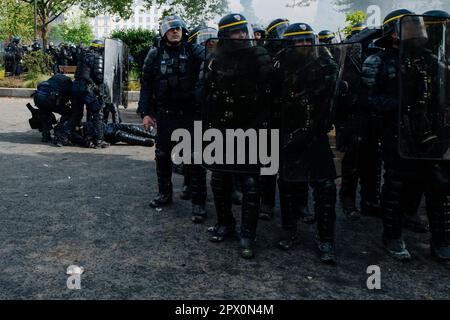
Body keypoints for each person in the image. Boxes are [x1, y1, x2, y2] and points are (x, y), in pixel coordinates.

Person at [362, 9, 450, 269]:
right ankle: (392, 237)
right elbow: (367, 101)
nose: (416, 33)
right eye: (410, 28)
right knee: (396, 185)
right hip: (397, 132)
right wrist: (399, 104)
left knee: (438, 186)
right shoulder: (378, 61)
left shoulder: (433, 60)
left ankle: (441, 241)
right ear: (394, 33)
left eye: (417, 27)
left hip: (431, 135)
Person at [276, 23, 340, 264]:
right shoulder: (280, 64)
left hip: (316, 135)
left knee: (325, 188)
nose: (303, 44)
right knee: (289, 185)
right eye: (298, 40)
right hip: (289, 134)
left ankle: (326, 239)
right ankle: (289, 231)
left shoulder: (325, 63)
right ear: (290, 43)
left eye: (306, 40)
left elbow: (335, 96)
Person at [138, 15, 208, 223]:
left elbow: (212, 66)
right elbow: (147, 85)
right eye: (171, 29)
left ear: (183, 31)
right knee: (162, 156)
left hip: (189, 114)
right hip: (165, 114)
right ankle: (165, 194)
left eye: (178, 28)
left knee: (195, 160)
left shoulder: (194, 51)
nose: (175, 31)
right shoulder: (154, 54)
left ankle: (199, 203)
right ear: (163, 32)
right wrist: (146, 113)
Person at [59, 39, 109, 148]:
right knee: (97, 112)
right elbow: (99, 77)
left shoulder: (84, 55)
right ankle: (99, 140)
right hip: (86, 89)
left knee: (77, 114)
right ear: (100, 48)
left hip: (76, 87)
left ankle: (63, 136)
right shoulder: (97, 57)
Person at [31, 74, 73, 143]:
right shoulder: (68, 83)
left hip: (38, 98)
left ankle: (45, 136)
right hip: (50, 100)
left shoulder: (53, 79)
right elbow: (72, 99)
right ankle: (59, 130)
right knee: (69, 113)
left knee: (45, 113)